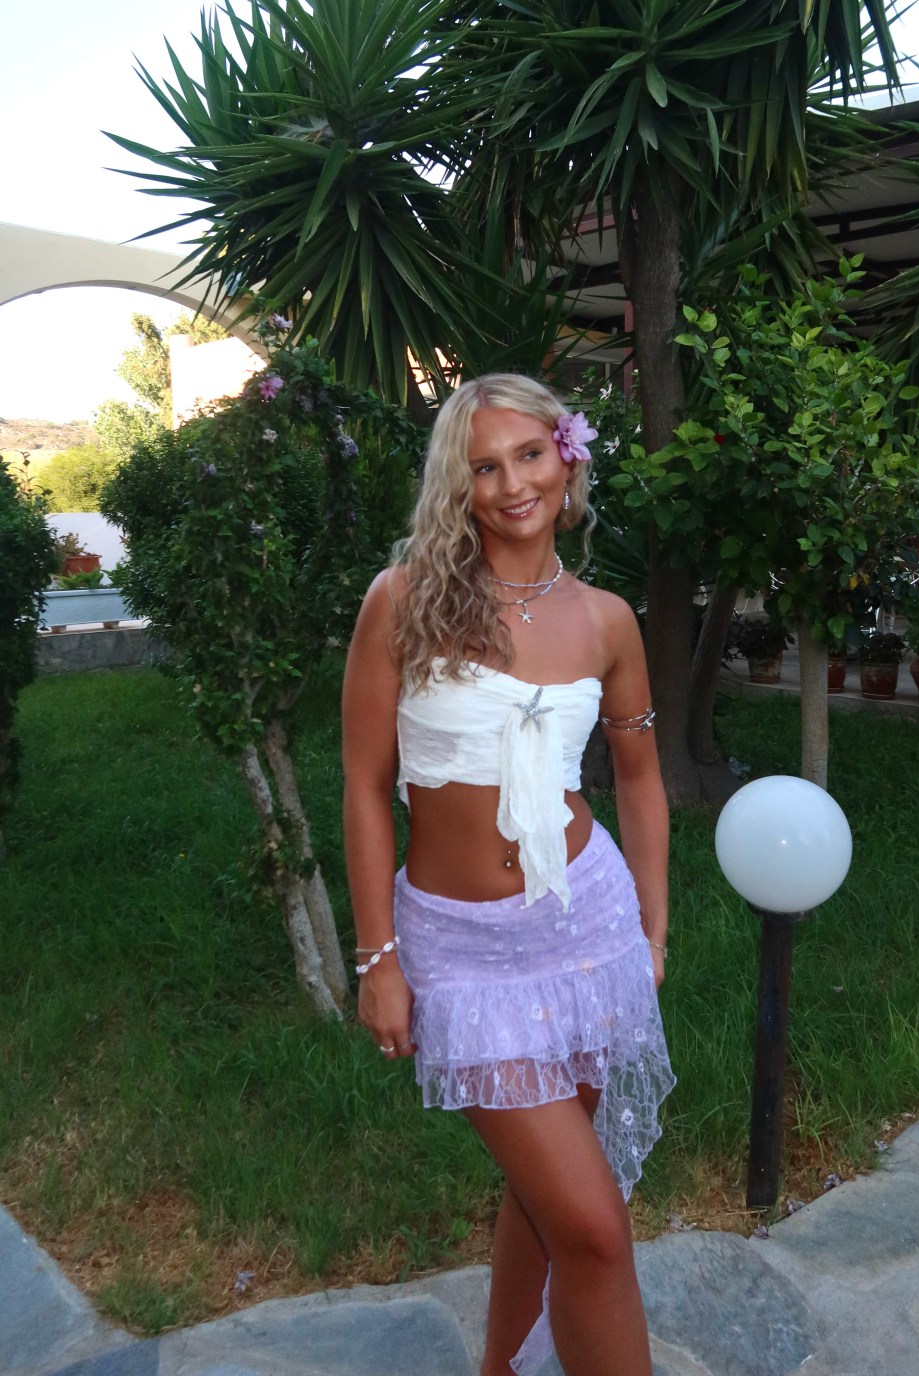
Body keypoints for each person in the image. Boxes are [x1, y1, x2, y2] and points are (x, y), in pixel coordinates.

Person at [342, 373, 675, 1376]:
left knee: (550, 1202)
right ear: (459, 485)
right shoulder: (403, 601)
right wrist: (377, 959)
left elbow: (639, 777)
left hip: (586, 931)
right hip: (462, 952)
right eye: (483, 467)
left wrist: (651, 932)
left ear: (566, 458)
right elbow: (364, 787)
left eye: (529, 454)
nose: (512, 484)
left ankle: (498, 1368)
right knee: (595, 1229)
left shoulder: (607, 620)